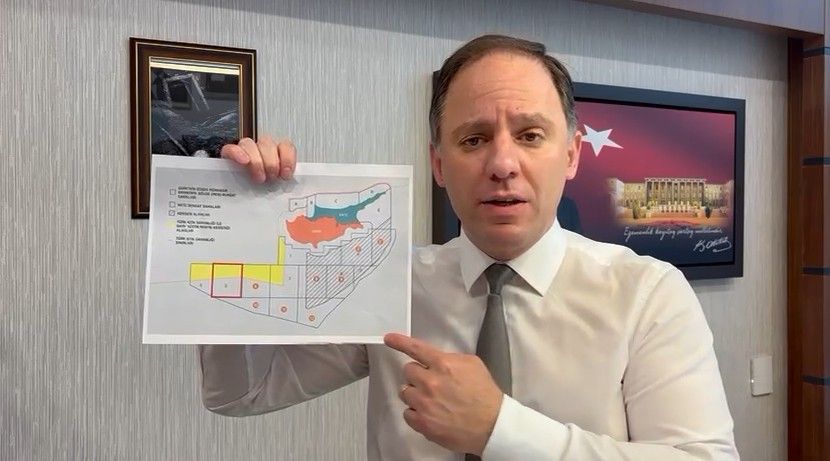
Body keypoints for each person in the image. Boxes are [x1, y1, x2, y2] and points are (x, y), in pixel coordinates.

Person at [199, 34, 738, 460]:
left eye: (530, 135)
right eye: (474, 139)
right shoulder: (386, 282)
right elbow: (241, 393)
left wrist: (499, 429)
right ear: (439, 164)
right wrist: (242, 229)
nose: (502, 164)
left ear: (572, 154)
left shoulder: (647, 293)